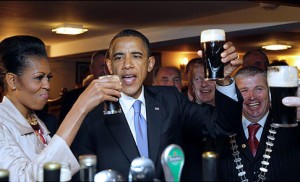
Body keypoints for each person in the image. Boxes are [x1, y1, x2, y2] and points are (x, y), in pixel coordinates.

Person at [70, 28, 243, 180]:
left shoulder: (170, 100)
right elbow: (79, 174)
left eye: (136, 56)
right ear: (109, 65)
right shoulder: (91, 113)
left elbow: (222, 126)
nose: (127, 65)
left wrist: (224, 79)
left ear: (150, 64)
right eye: (119, 57)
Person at [0, 35, 122, 181]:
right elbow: (25, 178)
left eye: (48, 77)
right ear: (12, 80)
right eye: (39, 78)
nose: (47, 85)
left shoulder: (36, 120)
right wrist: (80, 107)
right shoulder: (2, 123)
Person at [217, 66, 300, 181]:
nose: (252, 97)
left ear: (269, 92)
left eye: (259, 89)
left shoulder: (292, 129)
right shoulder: (221, 131)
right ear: (236, 95)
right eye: (244, 91)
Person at [181, 58, 217, 181]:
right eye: (197, 79)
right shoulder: (181, 118)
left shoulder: (229, 117)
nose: (204, 84)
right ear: (191, 85)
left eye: (210, 79)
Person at [59, 50, 108, 123]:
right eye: (102, 66)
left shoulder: (120, 97)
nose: (105, 71)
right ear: (91, 69)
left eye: (108, 67)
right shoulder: (72, 97)